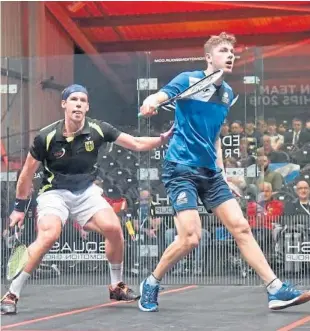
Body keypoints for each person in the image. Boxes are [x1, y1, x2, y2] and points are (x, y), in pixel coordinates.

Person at [138, 32, 310, 312]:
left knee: (241, 226)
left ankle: (276, 289)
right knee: (191, 237)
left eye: (232, 51)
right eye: (223, 51)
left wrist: (222, 171)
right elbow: (161, 95)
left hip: (211, 173)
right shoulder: (188, 79)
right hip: (181, 168)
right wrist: (151, 102)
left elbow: (214, 136)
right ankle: (152, 281)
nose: (230, 55)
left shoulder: (227, 94)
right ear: (209, 57)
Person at [1, 84, 173, 315]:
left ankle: (116, 285)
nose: (78, 103)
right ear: (64, 104)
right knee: (49, 235)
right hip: (54, 193)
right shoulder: (46, 136)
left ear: (87, 106)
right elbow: (27, 174)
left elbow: (136, 143)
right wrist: (19, 208)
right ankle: (12, 293)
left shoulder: (99, 129)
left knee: (114, 228)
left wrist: (162, 139)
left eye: (83, 100)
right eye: (73, 99)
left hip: (85, 192)